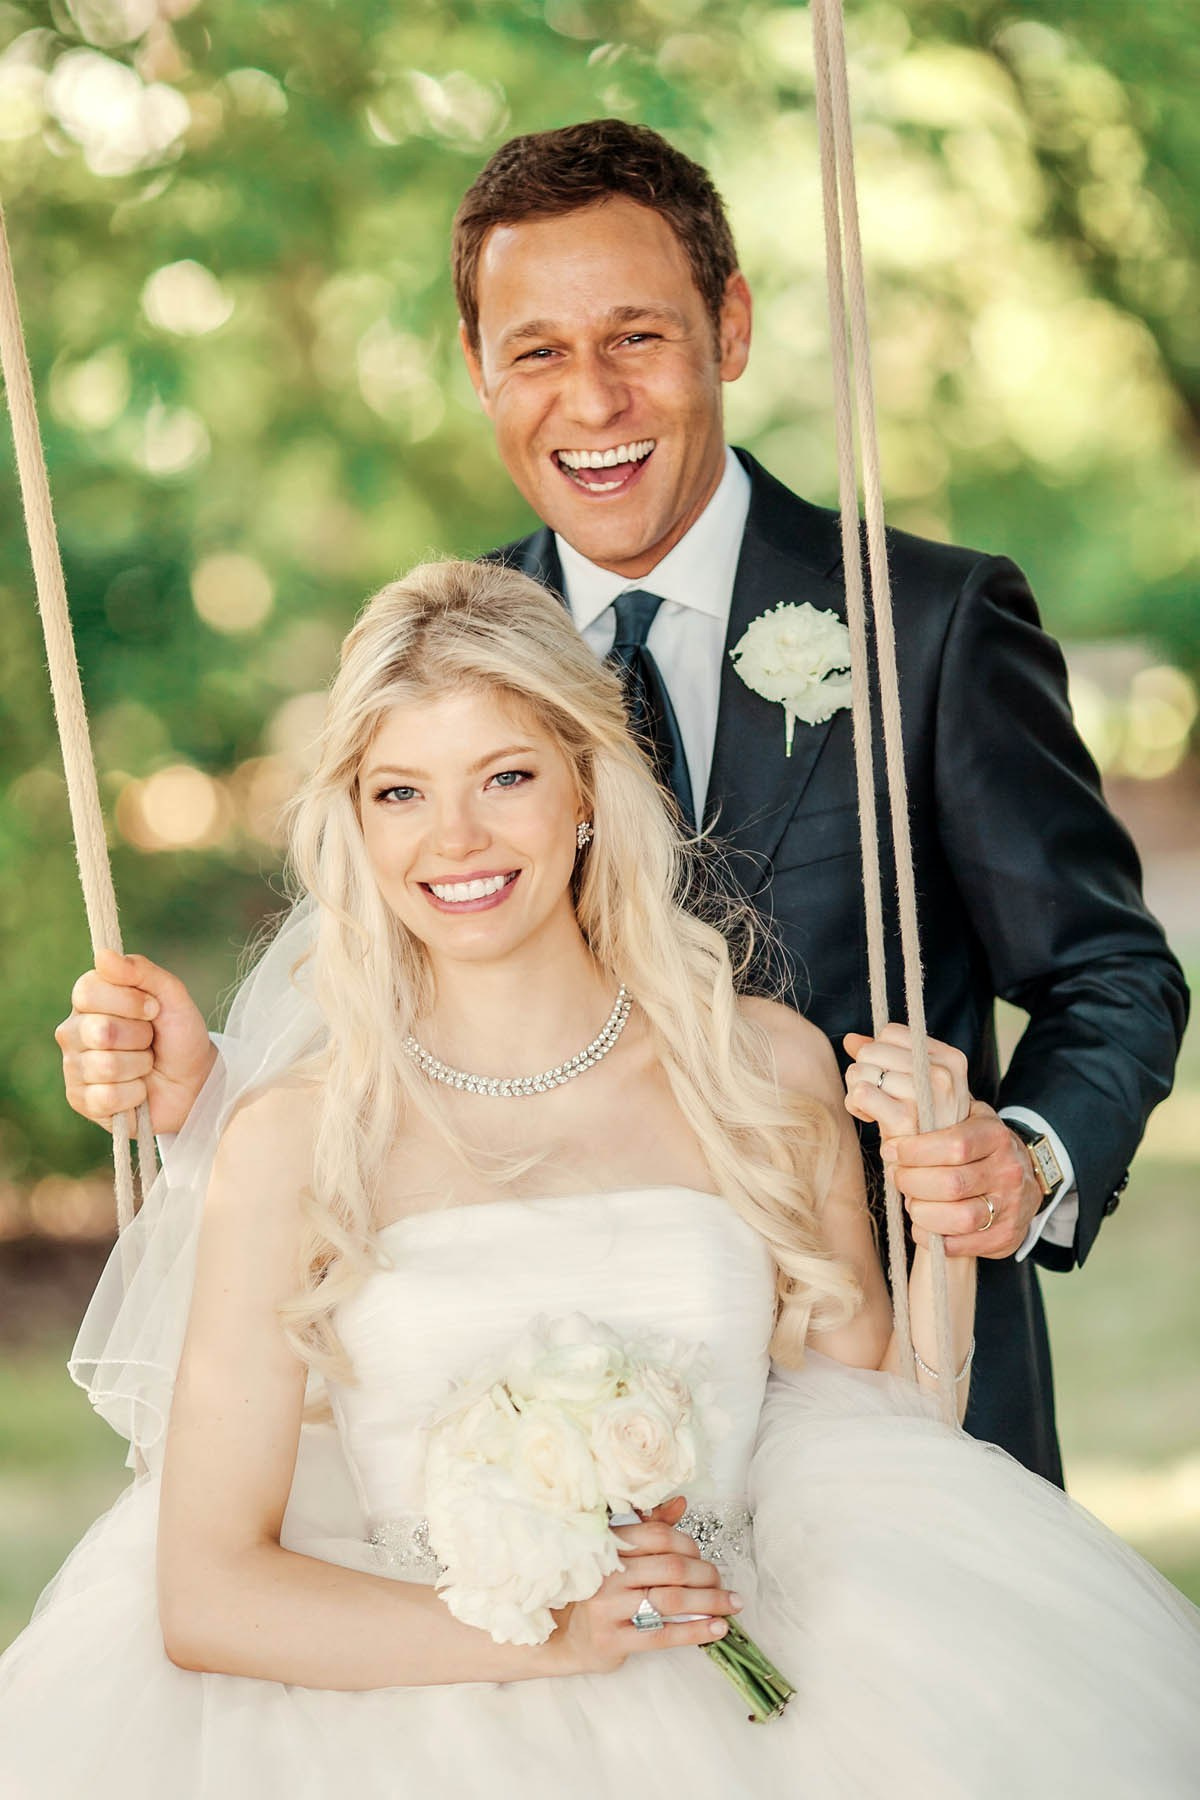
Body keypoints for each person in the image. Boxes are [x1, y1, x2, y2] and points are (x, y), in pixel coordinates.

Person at [55, 122, 1188, 1484]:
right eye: (536, 349)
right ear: (479, 368)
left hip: (901, 1413)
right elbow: (394, 1024)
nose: (591, 402)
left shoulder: (922, 625)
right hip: (550, 1443)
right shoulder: (436, 652)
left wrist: (1026, 1158)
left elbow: (1109, 970)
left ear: (731, 326)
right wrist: (206, 1104)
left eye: (637, 338)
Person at [5, 561, 1198, 1798]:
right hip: (410, 1725)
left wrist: (940, 1201)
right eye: (400, 791)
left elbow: (880, 1439)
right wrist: (549, 1639)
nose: (453, 840)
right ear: (354, 823)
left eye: (505, 777)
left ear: (586, 786)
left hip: (760, 1698)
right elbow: (208, 1595)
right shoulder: (296, 1134)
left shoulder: (758, 1071)